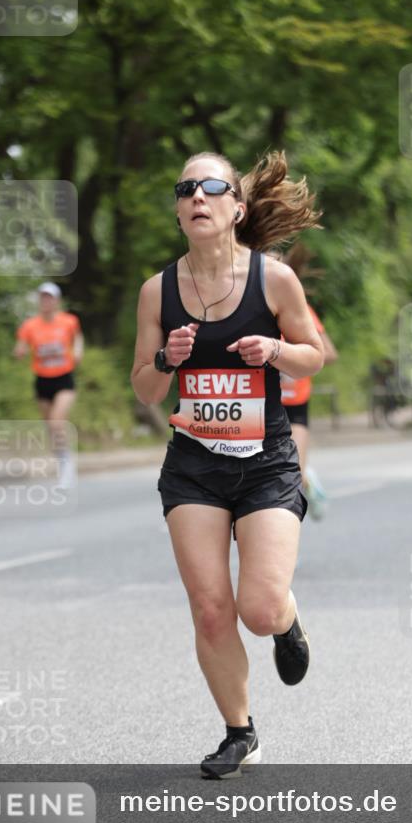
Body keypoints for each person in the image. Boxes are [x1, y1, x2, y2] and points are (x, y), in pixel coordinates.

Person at [131, 150, 324, 779]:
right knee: (210, 606)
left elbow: (312, 357)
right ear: (180, 211)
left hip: (265, 459)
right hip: (193, 466)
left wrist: (274, 349)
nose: (197, 196)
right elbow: (144, 389)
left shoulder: (273, 281)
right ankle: (240, 732)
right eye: (185, 188)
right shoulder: (157, 291)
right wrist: (165, 359)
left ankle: (287, 622)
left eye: (211, 187)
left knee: (259, 609)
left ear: (237, 208)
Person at [279, 244, 338, 520]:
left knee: (295, 476)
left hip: (295, 405)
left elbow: (330, 353)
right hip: (259, 405)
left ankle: (307, 480)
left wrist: (295, 357)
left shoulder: (301, 311)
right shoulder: (248, 311)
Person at [14, 282, 83, 487]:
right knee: (51, 428)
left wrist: (78, 351)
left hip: (64, 378)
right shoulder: (30, 325)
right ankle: (63, 461)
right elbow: (20, 346)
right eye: (43, 297)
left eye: (50, 297)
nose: (46, 301)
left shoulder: (68, 321)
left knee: (56, 421)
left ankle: (67, 466)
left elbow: (78, 338)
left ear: (57, 301)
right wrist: (19, 352)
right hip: (42, 381)